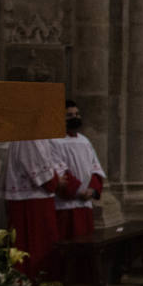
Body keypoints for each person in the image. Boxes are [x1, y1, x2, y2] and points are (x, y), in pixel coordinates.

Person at [0, 138, 62, 279]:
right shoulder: (30, 137)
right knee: (32, 247)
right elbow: (42, 175)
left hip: (37, 199)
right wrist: (56, 182)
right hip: (31, 200)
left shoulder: (40, 136)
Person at [50, 100, 105, 241]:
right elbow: (59, 170)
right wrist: (78, 190)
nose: (75, 117)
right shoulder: (54, 141)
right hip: (65, 205)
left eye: (77, 114)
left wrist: (92, 190)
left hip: (85, 203)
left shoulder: (84, 141)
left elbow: (95, 168)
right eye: (69, 115)